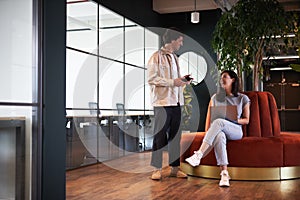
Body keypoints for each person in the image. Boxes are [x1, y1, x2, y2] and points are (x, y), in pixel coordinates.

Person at [185, 70, 250, 187]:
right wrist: (208, 133)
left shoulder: (242, 98)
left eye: (225, 77)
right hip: (219, 129)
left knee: (219, 121)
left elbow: (246, 120)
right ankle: (224, 173)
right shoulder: (215, 98)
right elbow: (209, 120)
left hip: (236, 130)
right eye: (221, 77)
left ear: (233, 79)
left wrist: (233, 119)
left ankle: (199, 154)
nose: (222, 79)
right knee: (219, 136)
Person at [147, 28, 190, 180]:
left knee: (175, 137)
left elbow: (175, 81)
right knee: (159, 136)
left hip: (176, 102)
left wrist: (182, 81)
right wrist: (173, 82)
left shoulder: (175, 58)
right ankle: (157, 169)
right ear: (172, 40)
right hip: (162, 103)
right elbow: (152, 79)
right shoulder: (156, 57)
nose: (181, 43)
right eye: (180, 40)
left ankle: (175, 168)